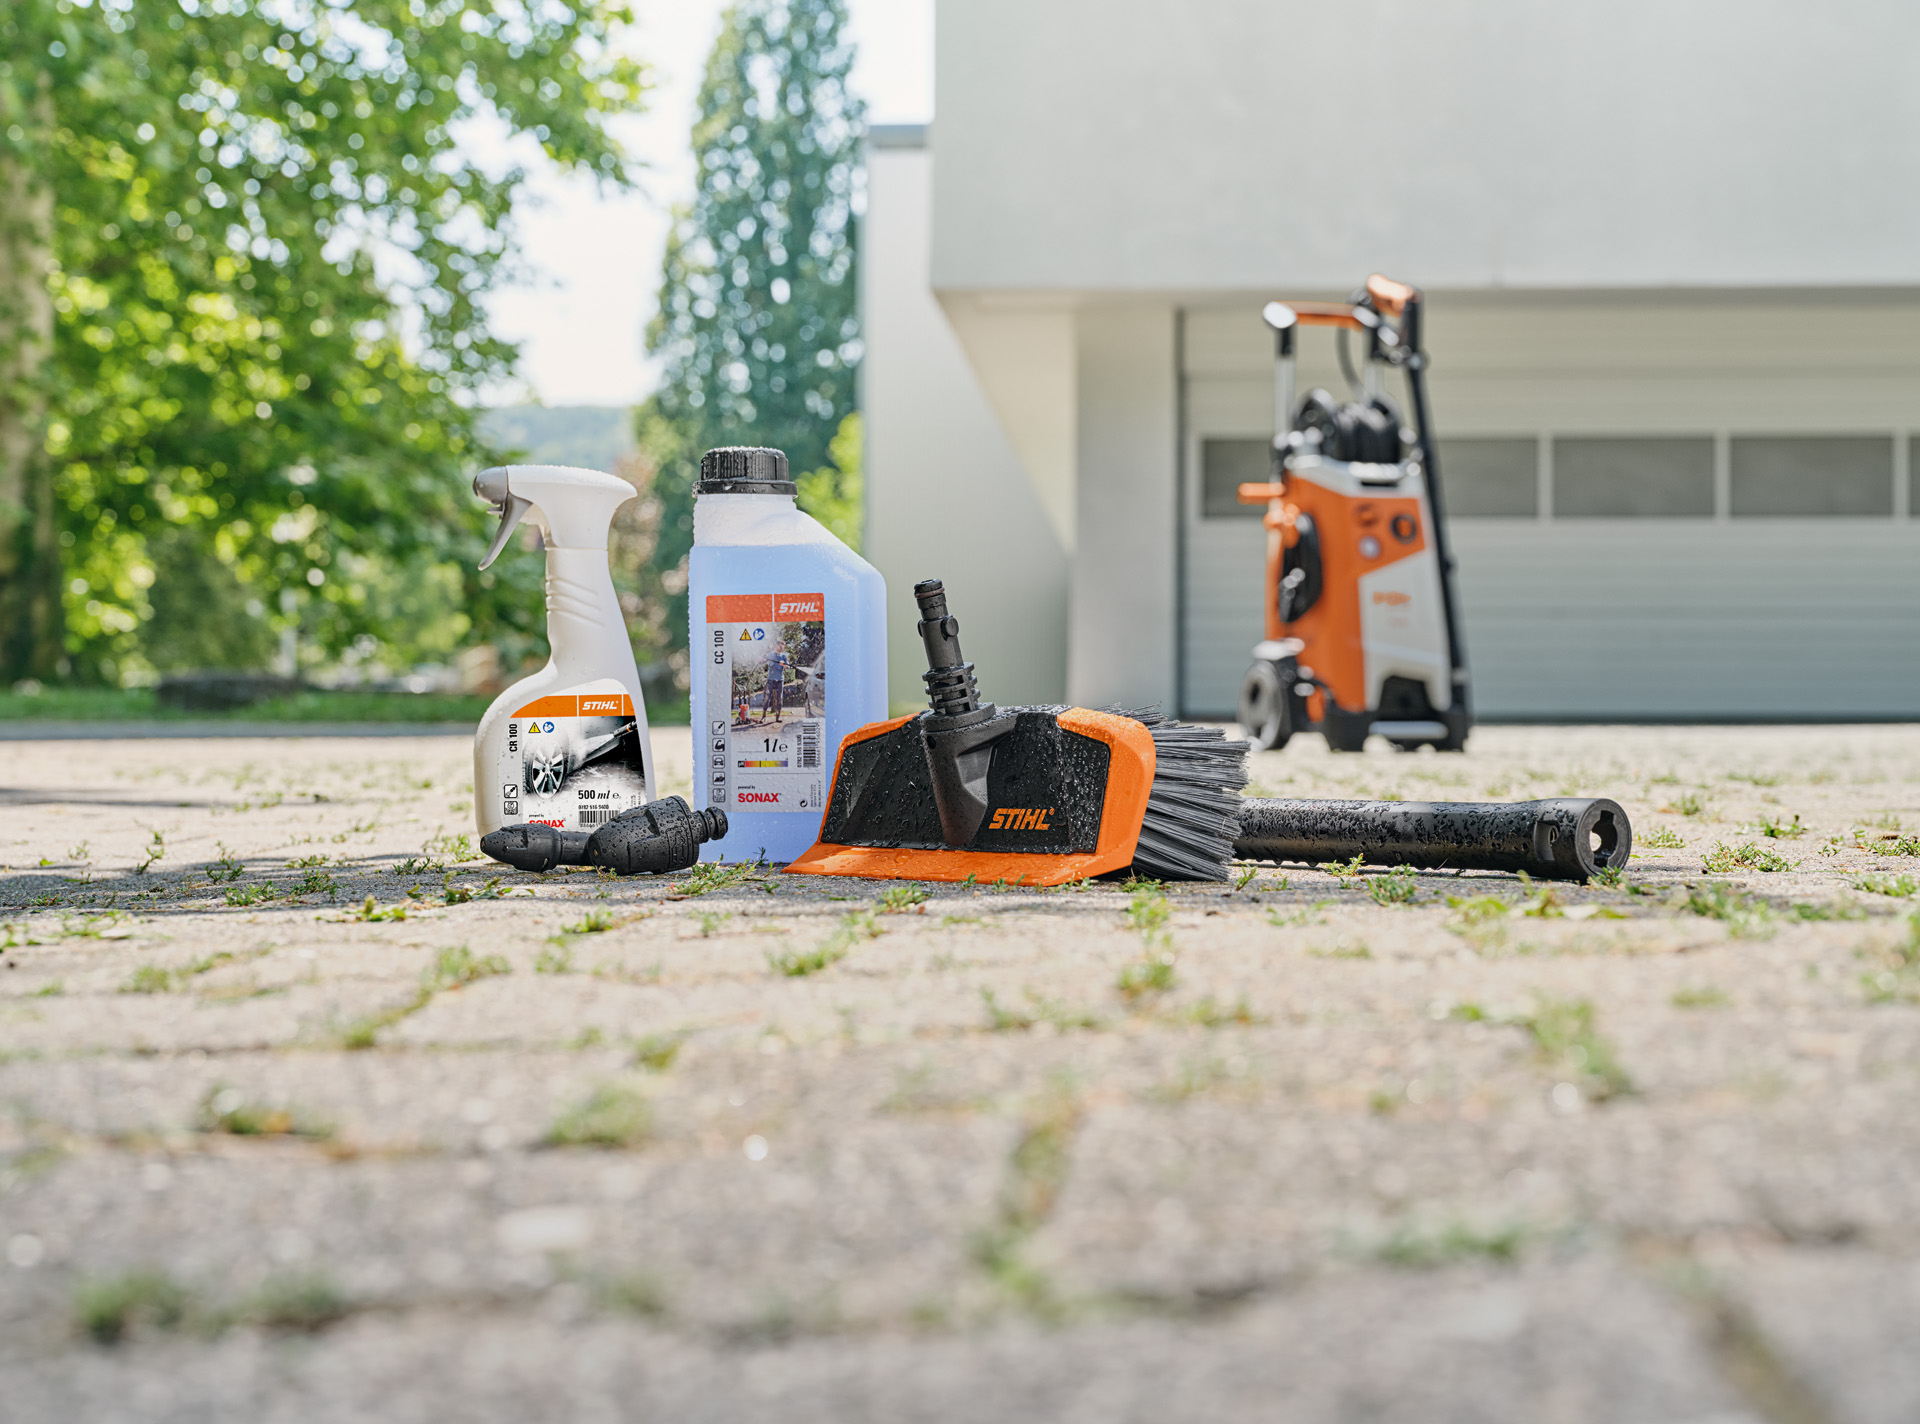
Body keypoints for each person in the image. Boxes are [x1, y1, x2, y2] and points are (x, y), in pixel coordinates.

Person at [761, 648, 790, 724]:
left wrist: (784, 665)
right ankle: (763, 717)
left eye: (783, 647)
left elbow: (788, 667)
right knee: (767, 698)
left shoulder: (784, 656)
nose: (781, 648)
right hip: (770, 679)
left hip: (780, 680)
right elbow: (763, 661)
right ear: (776, 646)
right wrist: (761, 660)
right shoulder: (770, 655)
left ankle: (778, 717)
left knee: (779, 698)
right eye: (780, 646)